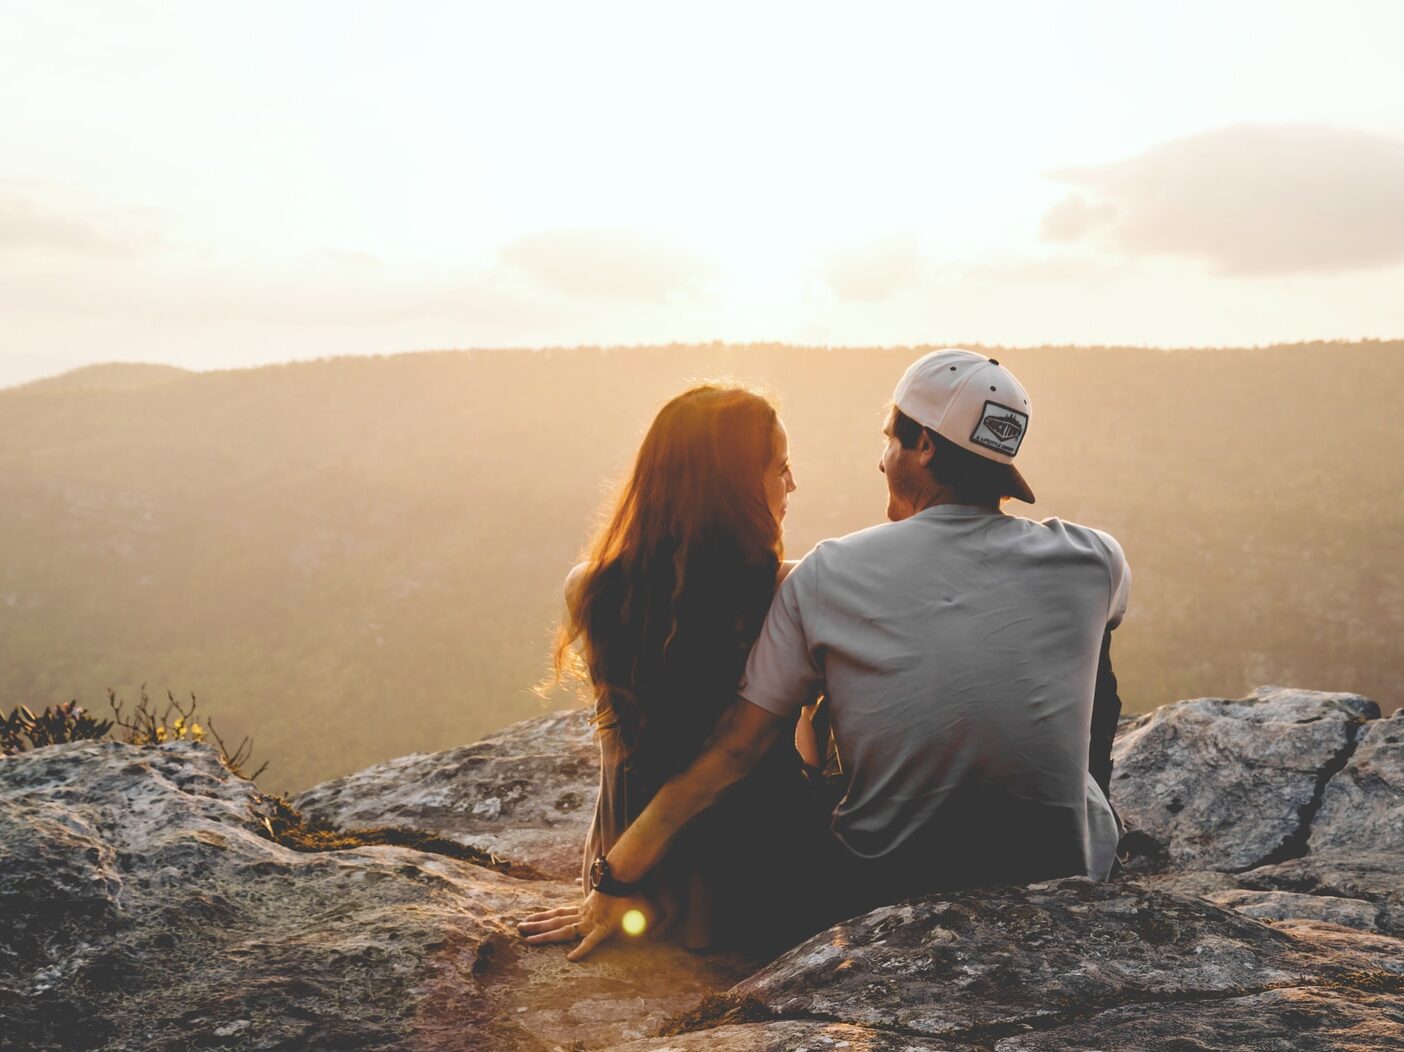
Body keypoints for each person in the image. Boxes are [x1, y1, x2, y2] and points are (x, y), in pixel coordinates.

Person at [558, 349, 1130, 960]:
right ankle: (1064, 815)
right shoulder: (1095, 558)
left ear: (925, 448)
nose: (880, 458)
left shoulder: (830, 573)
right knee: (1094, 647)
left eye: (890, 439)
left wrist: (618, 870)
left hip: (882, 881)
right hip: (1066, 872)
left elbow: (738, 746)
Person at [518, 383, 826, 956]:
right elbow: (737, 755)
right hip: (762, 881)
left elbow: (621, 758)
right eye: (780, 467)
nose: (792, 484)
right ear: (733, 489)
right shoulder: (790, 589)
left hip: (634, 880)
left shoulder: (588, 587)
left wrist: (611, 879)